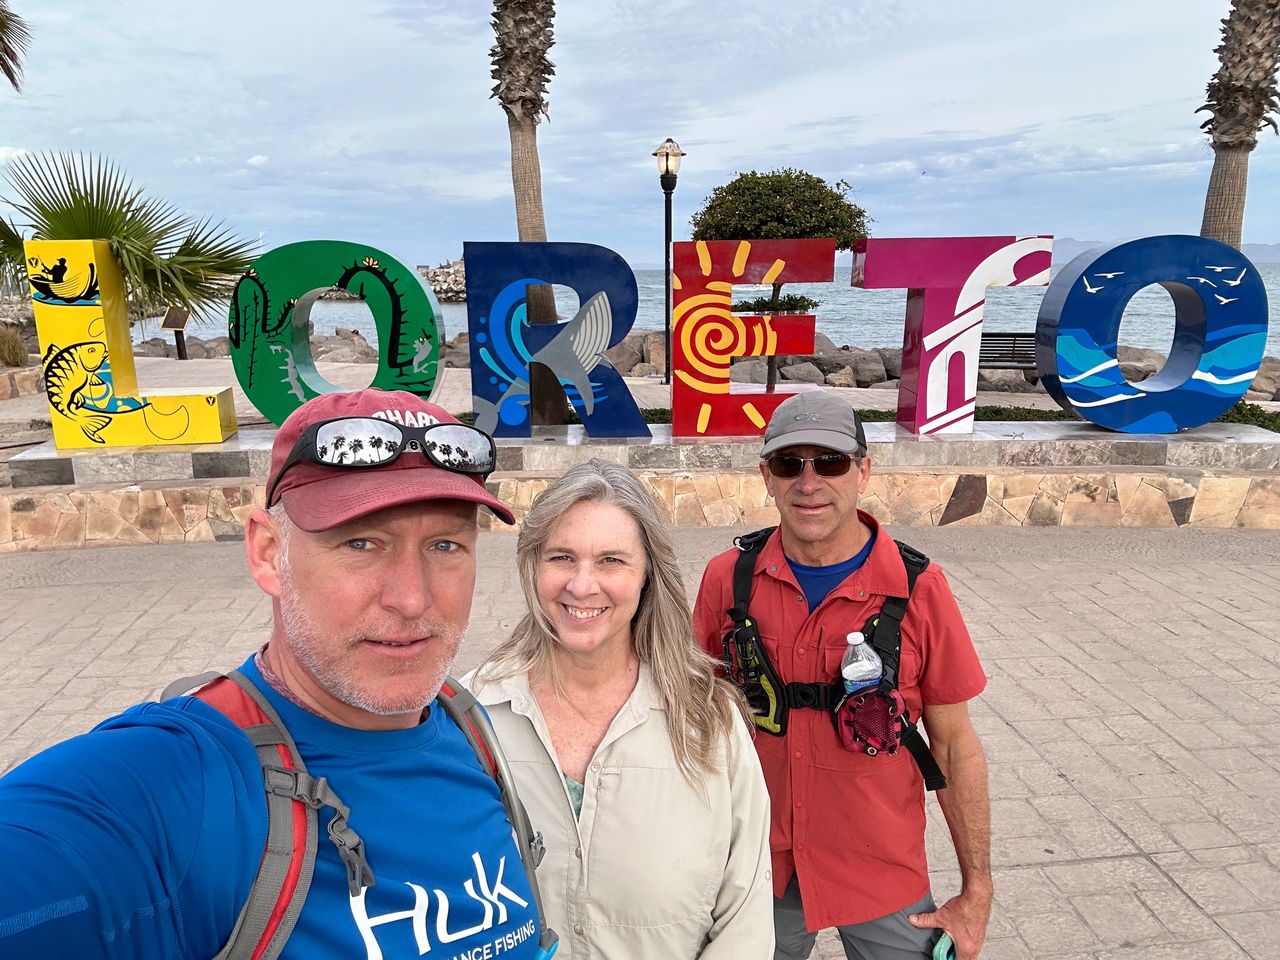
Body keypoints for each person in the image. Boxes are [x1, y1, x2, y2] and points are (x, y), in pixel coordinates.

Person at [0, 388, 554, 960]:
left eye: (445, 544)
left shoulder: (469, 728)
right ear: (268, 552)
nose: (412, 598)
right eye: (361, 543)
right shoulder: (180, 781)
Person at [692, 391, 992, 960]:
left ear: (864, 471)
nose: (809, 482)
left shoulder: (919, 589)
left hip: (880, 868)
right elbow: (691, 725)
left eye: (829, 462)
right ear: (766, 476)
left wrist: (977, 891)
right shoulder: (727, 581)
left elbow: (954, 749)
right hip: (761, 866)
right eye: (789, 464)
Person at [466, 459, 774, 959]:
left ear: (647, 574)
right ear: (532, 565)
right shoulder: (470, 717)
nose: (583, 585)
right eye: (562, 557)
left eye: (611, 560)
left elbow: (746, 916)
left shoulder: (710, 722)